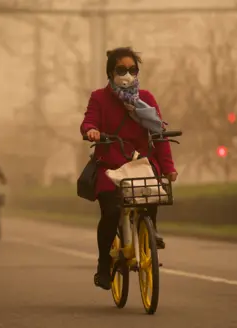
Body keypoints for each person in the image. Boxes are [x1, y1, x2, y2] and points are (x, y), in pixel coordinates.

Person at [80, 47, 178, 290]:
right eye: (121, 70)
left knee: (152, 188)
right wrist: (91, 130)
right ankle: (104, 264)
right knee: (111, 212)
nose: (127, 74)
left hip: (141, 161)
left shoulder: (146, 98)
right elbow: (88, 121)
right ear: (110, 73)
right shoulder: (99, 98)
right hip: (110, 166)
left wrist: (168, 167)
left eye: (132, 69)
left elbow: (159, 135)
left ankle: (150, 228)